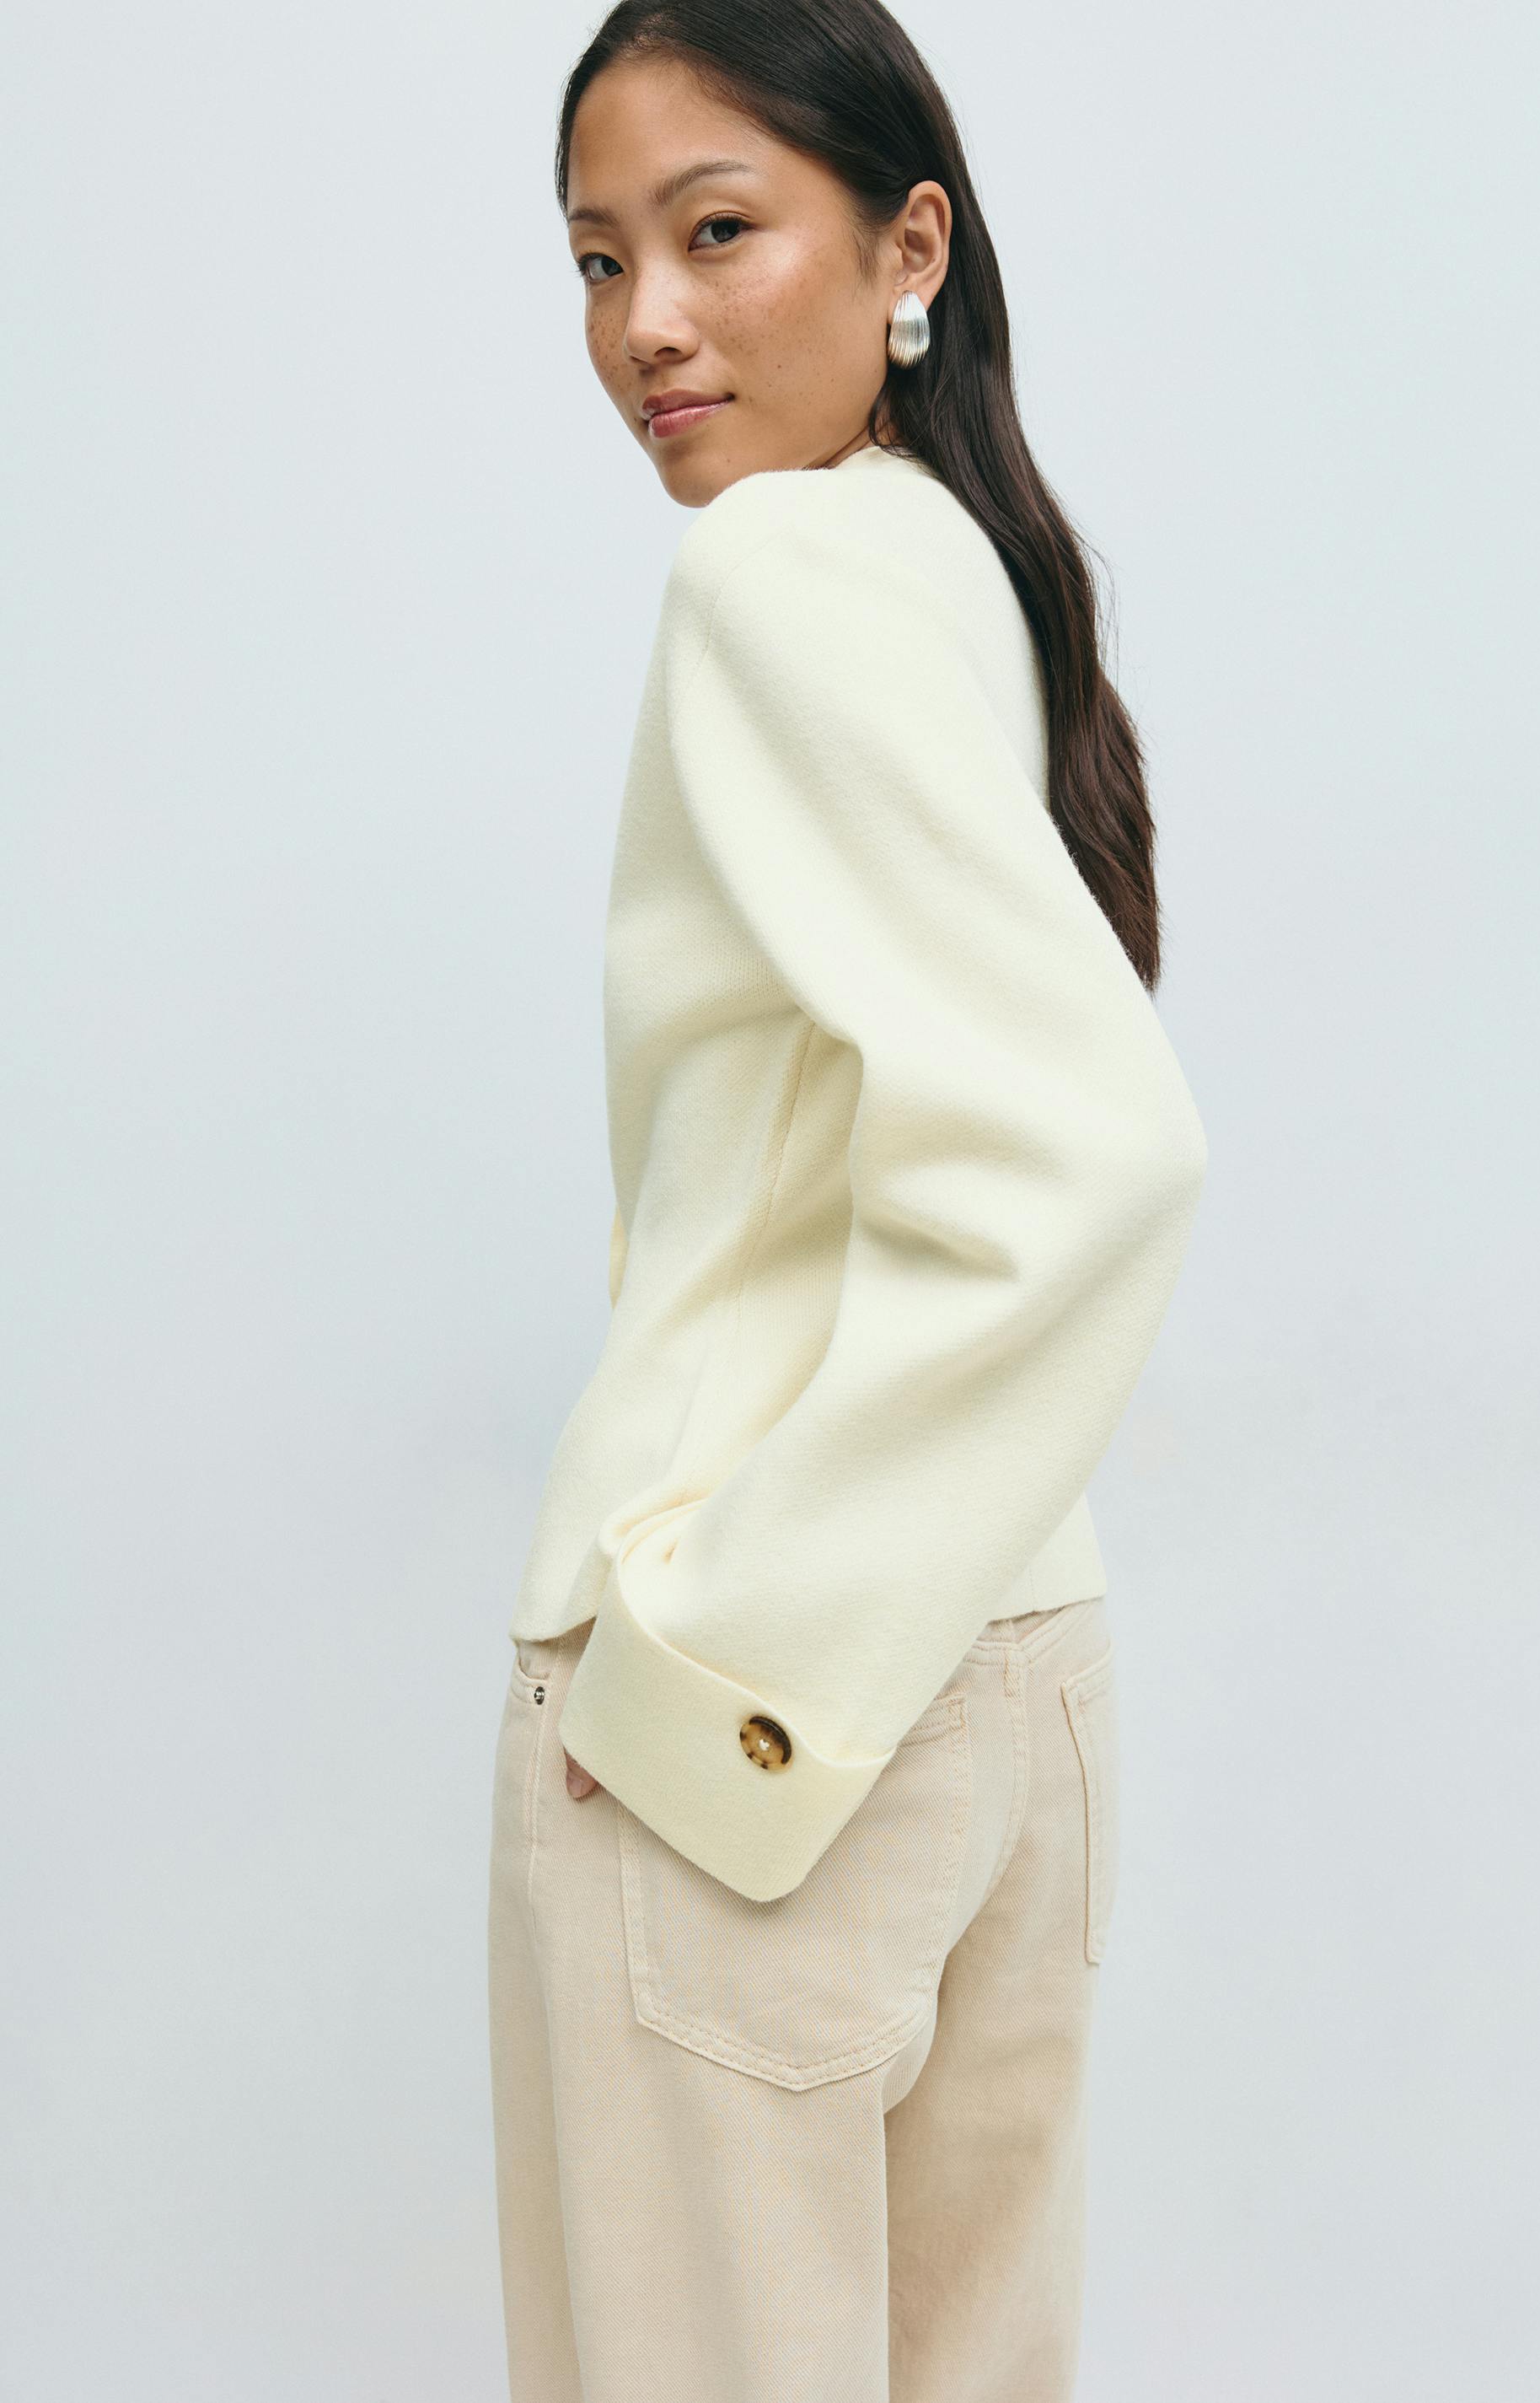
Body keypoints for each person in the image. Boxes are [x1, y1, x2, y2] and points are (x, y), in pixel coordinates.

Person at [486, 3, 1209, 2395]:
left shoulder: (778, 570)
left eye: (717, 232)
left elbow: (1091, 1154)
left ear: (912, 249)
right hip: (1010, 1666)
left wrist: (727, 1676)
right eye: (598, 260)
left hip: (774, 1694)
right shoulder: (952, 562)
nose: (646, 326)